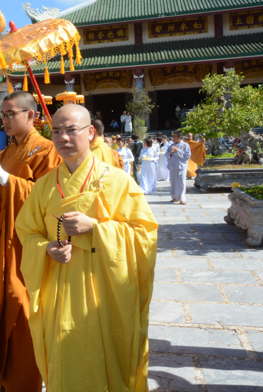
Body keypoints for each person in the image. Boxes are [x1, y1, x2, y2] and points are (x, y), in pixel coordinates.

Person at [15, 103, 157, 392]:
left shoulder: (117, 180)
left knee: (109, 356)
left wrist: (95, 227)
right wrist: (46, 248)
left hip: (106, 290)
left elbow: (144, 234)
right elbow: (27, 231)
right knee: (64, 359)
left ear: (91, 132)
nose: (63, 138)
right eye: (56, 131)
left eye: (71, 130)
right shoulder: (43, 186)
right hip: (59, 289)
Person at [0, 91, 61, 392]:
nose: (6, 120)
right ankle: (8, 378)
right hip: (5, 243)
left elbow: (49, 199)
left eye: (11, 113)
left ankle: (27, 382)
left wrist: (8, 181)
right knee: (4, 310)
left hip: (30, 244)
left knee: (24, 308)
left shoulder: (47, 150)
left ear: (31, 115)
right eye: (3, 115)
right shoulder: (3, 155)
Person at [165, 130, 191, 205]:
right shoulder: (171, 145)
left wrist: (178, 150)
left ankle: (182, 198)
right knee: (173, 182)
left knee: (181, 182)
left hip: (181, 166)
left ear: (180, 137)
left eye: (175, 136)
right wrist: (171, 153)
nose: (173, 138)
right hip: (173, 166)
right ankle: (174, 197)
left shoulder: (185, 145)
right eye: (173, 136)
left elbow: (187, 155)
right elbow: (166, 155)